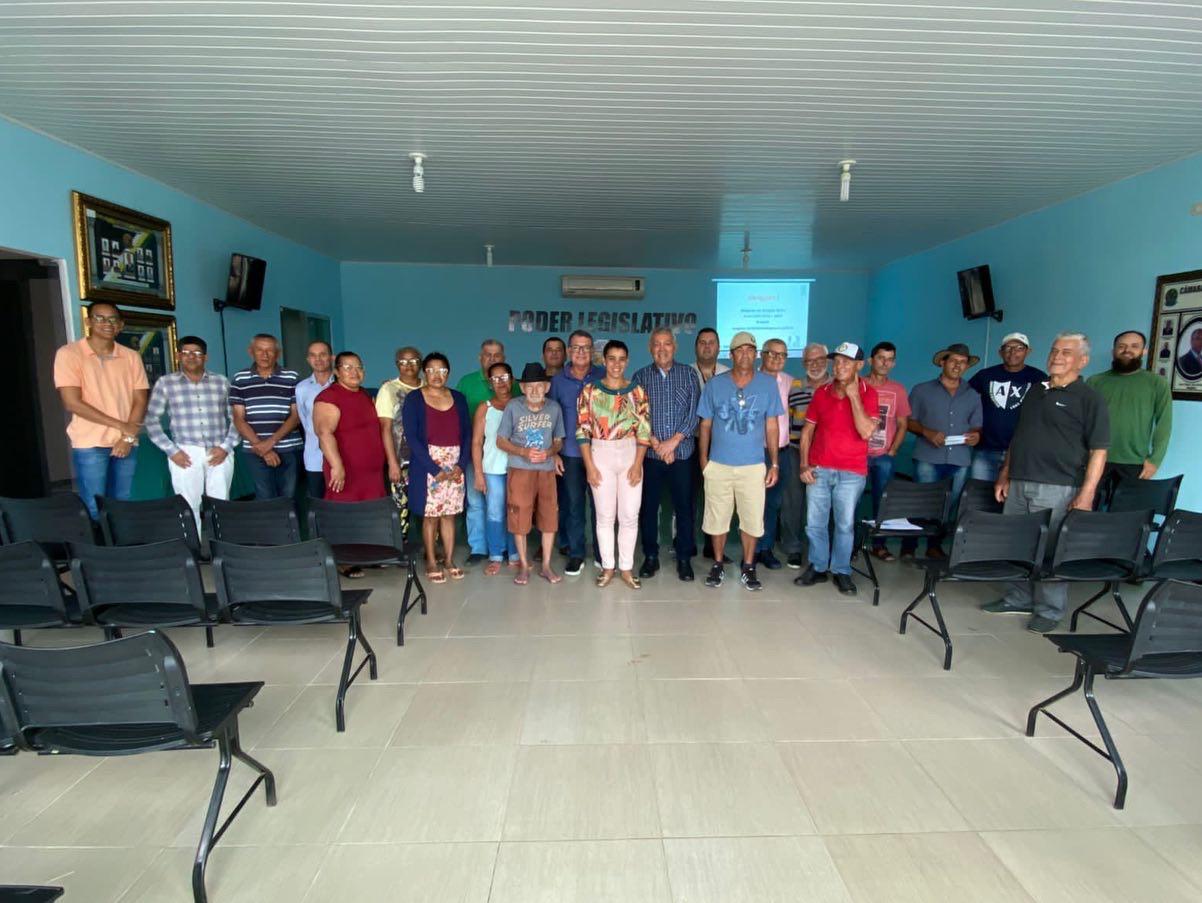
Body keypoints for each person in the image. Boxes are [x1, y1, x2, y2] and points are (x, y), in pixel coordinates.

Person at [983, 332, 1109, 633]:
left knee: (1050, 548)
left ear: (1082, 361)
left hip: (1058, 486)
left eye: (1066, 352)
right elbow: (1019, 436)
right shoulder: (1035, 391)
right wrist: (1005, 472)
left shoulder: (1089, 398)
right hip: (1019, 480)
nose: (1057, 356)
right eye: (1054, 350)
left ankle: (1049, 610)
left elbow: (1099, 450)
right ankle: (1018, 597)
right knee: (1016, 543)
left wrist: (1087, 493)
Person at [697, 331, 783, 592]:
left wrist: (774, 463)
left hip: (753, 466)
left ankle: (748, 566)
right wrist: (704, 460)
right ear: (731, 354)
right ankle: (718, 563)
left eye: (750, 350)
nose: (745, 354)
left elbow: (771, 425)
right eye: (739, 350)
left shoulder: (767, 385)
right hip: (719, 464)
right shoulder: (715, 385)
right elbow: (705, 424)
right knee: (717, 519)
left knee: (752, 519)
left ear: (756, 355)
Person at [795, 343, 879, 595]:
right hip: (819, 468)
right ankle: (818, 566)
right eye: (837, 361)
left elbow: (866, 431)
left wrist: (854, 396)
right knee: (815, 523)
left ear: (859, 365)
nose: (839, 366)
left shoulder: (869, 393)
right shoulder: (822, 392)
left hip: (852, 471)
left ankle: (842, 570)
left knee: (844, 525)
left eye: (846, 361)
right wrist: (804, 464)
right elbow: (807, 431)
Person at [53, 302, 149, 518]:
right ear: (88, 321)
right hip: (90, 443)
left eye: (113, 319)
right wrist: (122, 426)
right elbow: (72, 402)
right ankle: (98, 541)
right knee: (93, 505)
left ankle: (119, 541)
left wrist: (127, 437)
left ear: (120, 325)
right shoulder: (69, 354)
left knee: (121, 502)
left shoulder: (131, 357)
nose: (107, 323)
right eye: (100, 318)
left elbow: (140, 400)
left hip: (127, 442)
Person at [144, 335, 238, 531]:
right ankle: (193, 547)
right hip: (184, 452)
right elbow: (151, 420)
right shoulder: (166, 383)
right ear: (179, 356)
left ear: (205, 357)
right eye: (186, 353)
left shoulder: (221, 382)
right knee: (188, 505)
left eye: (196, 353)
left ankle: (221, 544)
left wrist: (226, 447)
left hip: (219, 450)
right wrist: (172, 451)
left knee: (221, 503)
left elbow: (237, 418)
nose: (191, 357)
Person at [578, 340, 652, 590]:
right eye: (612, 358)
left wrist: (637, 464)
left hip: (630, 453)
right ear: (604, 360)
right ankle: (608, 567)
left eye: (621, 359)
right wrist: (590, 466)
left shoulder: (637, 392)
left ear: (627, 361)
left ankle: (626, 568)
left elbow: (644, 430)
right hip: (601, 453)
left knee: (629, 515)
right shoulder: (590, 391)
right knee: (604, 516)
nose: (616, 364)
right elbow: (582, 430)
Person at [632, 328, 702, 582]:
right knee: (649, 508)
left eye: (667, 344)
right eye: (657, 344)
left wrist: (672, 444)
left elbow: (694, 412)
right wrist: (656, 444)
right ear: (650, 348)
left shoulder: (688, 374)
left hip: (681, 454)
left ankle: (684, 558)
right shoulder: (640, 376)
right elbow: (636, 415)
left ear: (675, 347)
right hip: (650, 456)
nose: (662, 349)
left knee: (684, 508)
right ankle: (650, 557)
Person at [901, 342, 982, 559]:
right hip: (928, 456)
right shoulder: (921, 390)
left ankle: (934, 546)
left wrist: (976, 436)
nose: (958, 365)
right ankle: (909, 547)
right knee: (921, 503)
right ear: (943, 363)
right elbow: (908, 422)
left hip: (959, 459)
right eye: (953, 360)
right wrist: (926, 432)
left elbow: (976, 426)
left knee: (947, 506)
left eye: (963, 362)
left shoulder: (973, 395)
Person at [403, 352, 472, 584]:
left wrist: (461, 464)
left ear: (448, 373)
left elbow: (467, 433)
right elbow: (412, 437)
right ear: (424, 372)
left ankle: (449, 560)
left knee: (450, 515)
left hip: (455, 463)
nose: (436, 375)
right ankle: (432, 561)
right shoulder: (414, 399)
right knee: (431, 516)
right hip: (427, 464)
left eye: (442, 370)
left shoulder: (458, 398)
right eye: (431, 370)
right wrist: (433, 469)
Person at [496, 363, 566, 586]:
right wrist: (523, 452)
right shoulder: (513, 407)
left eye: (540, 386)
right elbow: (501, 441)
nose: (535, 390)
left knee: (549, 517)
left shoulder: (554, 408)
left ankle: (545, 565)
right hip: (520, 469)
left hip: (546, 471)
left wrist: (550, 452)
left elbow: (558, 441)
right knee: (519, 517)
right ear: (523, 388)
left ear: (547, 387)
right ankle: (524, 566)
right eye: (530, 386)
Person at [1087, 330, 1172, 502]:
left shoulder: (1157, 383)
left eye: (1134, 346)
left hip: (1135, 463)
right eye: (1122, 346)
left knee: (1125, 514)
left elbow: (1164, 424)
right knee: (1086, 510)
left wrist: (1155, 460)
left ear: (1144, 351)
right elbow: (1083, 421)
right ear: (1113, 351)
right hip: (1096, 459)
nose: (1127, 350)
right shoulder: (1095, 382)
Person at [550, 330, 605, 575]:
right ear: (569, 351)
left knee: (601, 506)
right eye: (576, 347)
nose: (581, 352)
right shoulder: (558, 381)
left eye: (586, 347)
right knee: (573, 505)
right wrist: (553, 453)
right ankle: (576, 554)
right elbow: (550, 417)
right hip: (570, 453)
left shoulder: (603, 376)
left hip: (601, 453)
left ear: (592, 351)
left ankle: (603, 553)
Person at [455, 339, 511, 564]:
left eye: (497, 355)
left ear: (503, 358)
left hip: (505, 456)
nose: (492, 358)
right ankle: (478, 547)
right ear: (480, 358)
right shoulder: (466, 382)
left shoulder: (513, 385)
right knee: (476, 501)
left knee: (503, 503)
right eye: (488, 354)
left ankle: (502, 547)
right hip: (474, 450)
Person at [230, 334, 303, 501]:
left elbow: (296, 416)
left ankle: (289, 520)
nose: (265, 355)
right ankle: (269, 521)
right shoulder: (240, 379)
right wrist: (262, 447)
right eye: (260, 350)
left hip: (289, 447)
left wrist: (270, 442)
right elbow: (238, 418)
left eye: (270, 350)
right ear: (251, 352)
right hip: (254, 449)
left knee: (289, 496)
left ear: (278, 353)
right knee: (264, 497)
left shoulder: (291, 377)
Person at [968, 332, 1047, 482]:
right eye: (1008, 348)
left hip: (1021, 453)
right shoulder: (985, 375)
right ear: (1000, 352)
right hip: (985, 450)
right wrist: (973, 429)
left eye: (1019, 348)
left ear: (1028, 351)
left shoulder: (1039, 378)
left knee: (1013, 496)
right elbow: (964, 403)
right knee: (978, 493)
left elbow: (1047, 412)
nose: (1013, 352)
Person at [782, 343, 831, 568]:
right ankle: (793, 548)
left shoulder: (836, 386)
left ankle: (818, 551)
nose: (815, 365)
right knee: (793, 502)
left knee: (823, 505)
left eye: (820, 360)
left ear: (827, 361)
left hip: (827, 455)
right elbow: (788, 419)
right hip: (795, 451)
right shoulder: (795, 386)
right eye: (810, 361)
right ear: (803, 364)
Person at [313, 352, 386, 501]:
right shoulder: (329, 397)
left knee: (373, 512)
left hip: (373, 475)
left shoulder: (365, 394)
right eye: (348, 367)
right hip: (345, 473)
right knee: (346, 513)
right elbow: (324, 434)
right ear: (336, 372)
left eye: (359, 367)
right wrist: (336, 466)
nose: (355, 372)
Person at [864, 342, 911, 562]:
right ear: (871, 360)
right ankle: (852, 545)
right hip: (856, 455)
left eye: (890, 359)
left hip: (883, 455)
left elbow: (902, 424)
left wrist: (892, 451)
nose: (885, 363)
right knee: (850, 502)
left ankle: (878, 545)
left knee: (882, 501)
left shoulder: (898, 389)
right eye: (881, 358)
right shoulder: (858, 384)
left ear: (894, 363)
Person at [471, 361, 520, 575]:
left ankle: (515, 554)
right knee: (495, 512)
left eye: (505, 377)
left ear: (512, 379)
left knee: (516, 510)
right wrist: (478, 474)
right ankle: (496, 555)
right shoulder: (485, 408)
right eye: (495, 379)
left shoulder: (521, 404)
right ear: (490, 383)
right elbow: (476, 442)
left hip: (518, 468)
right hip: (493, 468)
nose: (501, 382)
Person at [691, 327, 731, 562]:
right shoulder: (686, 372)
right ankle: (684, 544)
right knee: (689, 496)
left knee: (716, 498)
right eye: (702, 342)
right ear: (696, 347)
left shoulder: (728, 374)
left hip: (721, 445)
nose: (707, 346)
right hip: (690, 442)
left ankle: (712, 547)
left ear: (718, 347)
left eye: (711, 342)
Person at [754, 338, 793, 570]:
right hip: (756, 452)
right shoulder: (751, 380)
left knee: (773, 504)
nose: (778, 358)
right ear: (762, 354)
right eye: (773, 353)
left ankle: (766, 549)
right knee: (753, 503)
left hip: (782, 452)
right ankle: (752, 550)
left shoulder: (789, 381)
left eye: (782, 355)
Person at [377, 346, 423, 533]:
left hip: (428, 459)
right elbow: (385, 428)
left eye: (413, 361)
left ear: (421, 363)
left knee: (429, 508)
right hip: (401, 459)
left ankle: (431, 547)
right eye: (403, 361)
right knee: (401, 508)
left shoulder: (430, 386)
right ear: (397, 364)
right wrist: (392, 463)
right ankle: (399, 546)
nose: (409, 365)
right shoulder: (388, 389)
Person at [295, 340, 335, 499]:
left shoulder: (342, 384)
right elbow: (304, 421)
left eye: (323, 354)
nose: (318, 359)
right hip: (314, 457)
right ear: (308, 359)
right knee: (318, 503)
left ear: (331, 358)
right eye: (313, 355)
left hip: (343, 456)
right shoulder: (302, 388)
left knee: (342, 503)